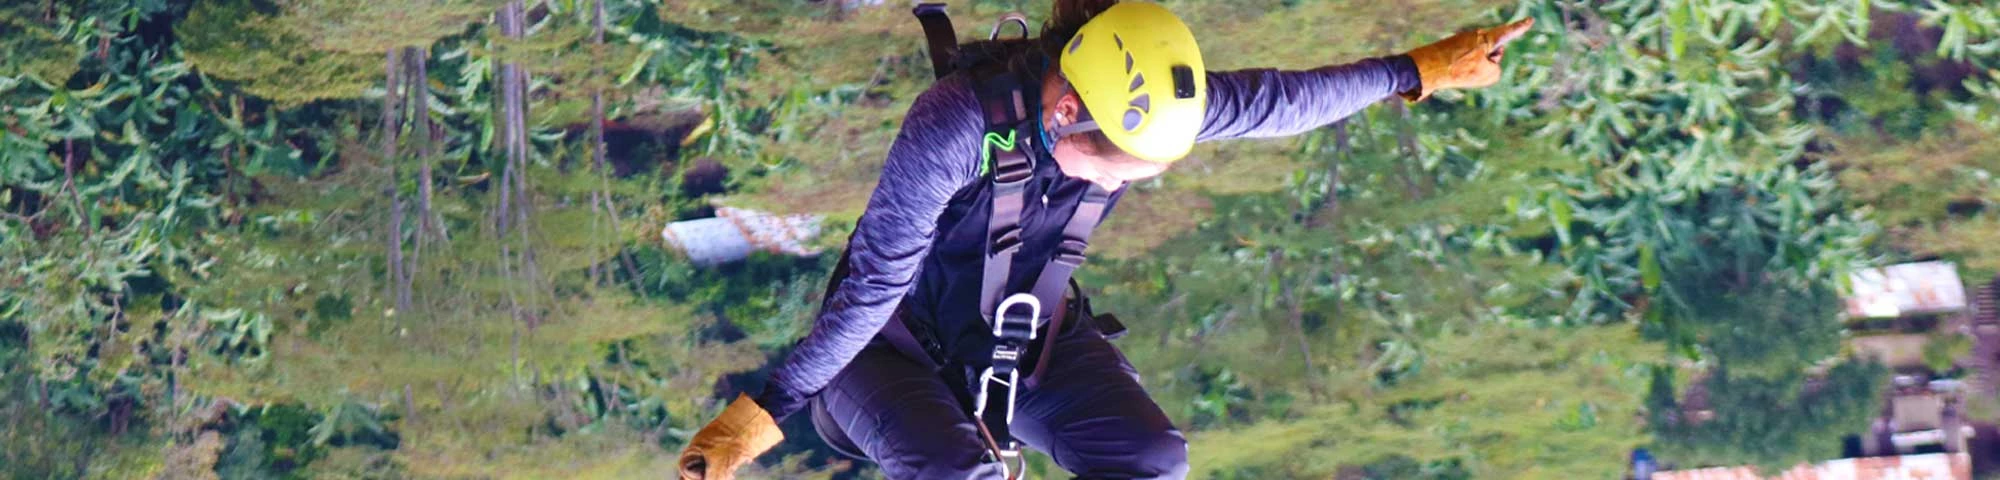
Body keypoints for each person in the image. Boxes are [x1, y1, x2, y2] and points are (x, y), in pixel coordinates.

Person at [678, 1, 1534, 479]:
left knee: (1153, 460)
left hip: (1026, 338)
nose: (1126, 182)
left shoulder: (1144, 114)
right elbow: (871, 284)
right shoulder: (957, 126)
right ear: (1063, 112)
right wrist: (762, 413)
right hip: (882, 353)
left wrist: (1416, 71)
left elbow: (1284, 100)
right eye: (1117, 162)